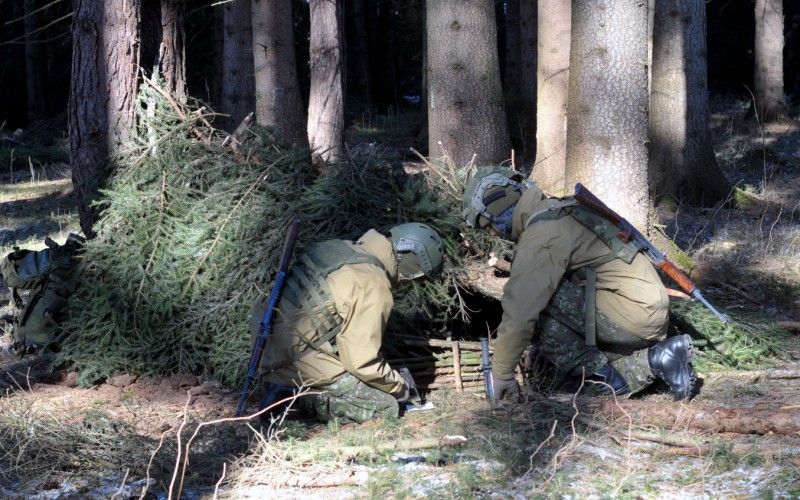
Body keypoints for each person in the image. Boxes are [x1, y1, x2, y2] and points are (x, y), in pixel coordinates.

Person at [462, 167, 696, 402]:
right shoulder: (561, 209)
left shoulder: (542, 234)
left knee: (534, 300)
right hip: (639, 313)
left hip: (631, 316)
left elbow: (521, 308)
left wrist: (502, 374)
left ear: (501, 212)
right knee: (558, 367)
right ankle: (657, 359)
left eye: (489, 227)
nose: (493, 235)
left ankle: (617, 378)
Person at [250, 222, 444, 423]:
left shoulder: (340, 247)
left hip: (265, 345)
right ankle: (298, 401)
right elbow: (360, 360)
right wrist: (398, 387)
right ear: (410, 268)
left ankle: (286, 387)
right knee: (385, 405)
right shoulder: (373, 283)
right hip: (296, 359)